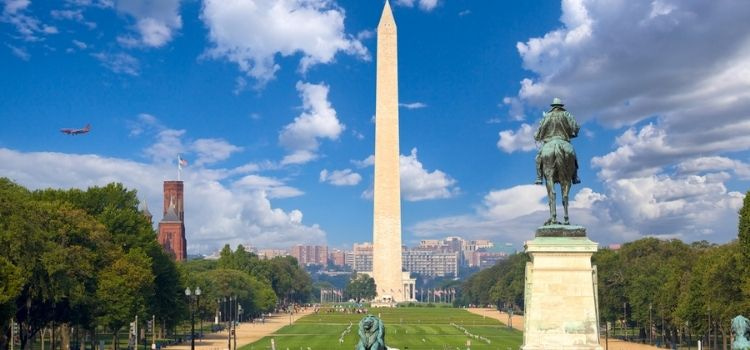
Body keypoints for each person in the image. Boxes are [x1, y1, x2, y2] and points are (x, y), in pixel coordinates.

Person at [534, 98, 581, 185]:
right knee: (573, 157)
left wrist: (537, 136)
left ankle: (539, 177)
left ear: (552, 106)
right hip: (564, 141)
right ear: (561, 106)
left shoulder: (547, 116)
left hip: (549, 142)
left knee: (538, 158)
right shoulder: (567, 114)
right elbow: (575, 127)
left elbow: (540, 130)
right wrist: (574, 133)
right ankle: (575, 176)